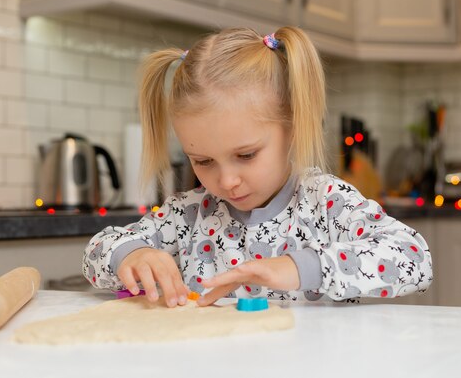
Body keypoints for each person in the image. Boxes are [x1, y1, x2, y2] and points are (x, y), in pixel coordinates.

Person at [83, 27, 432, 308]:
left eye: (246, 155)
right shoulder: (189, 214)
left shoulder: (326, 203)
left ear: (292, 126)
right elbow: (96, 253)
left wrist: (300, 267)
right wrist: (134, 256)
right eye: (203, 161)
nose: (227, 180)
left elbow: (413, 258)